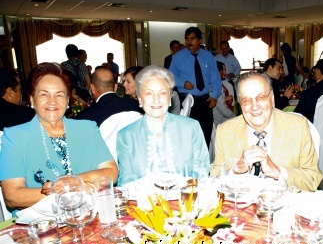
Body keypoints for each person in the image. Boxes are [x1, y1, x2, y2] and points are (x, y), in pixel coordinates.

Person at [0, 62, 118, 211]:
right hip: (42, 222)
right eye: (44, 94)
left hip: (88, 213)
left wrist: (73, 182)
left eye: (59, 95)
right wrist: (67, 192)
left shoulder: (87, 128)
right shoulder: (15, 136)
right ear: (32, 99)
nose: (52, 101)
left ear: (68, 100)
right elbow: (12, 196)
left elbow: (111, 172)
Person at [210, 72, 323, 190]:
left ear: (272, 99)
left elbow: (312, 179)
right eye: (246, 100)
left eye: (261, 98)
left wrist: (278, 172)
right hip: (242, 206)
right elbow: (214, 180)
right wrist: (235, 171)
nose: (254, 107)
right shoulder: (225, 131)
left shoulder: (298, 127)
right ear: (240, 104)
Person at [116, 65, 209, 185]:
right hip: (144, 202)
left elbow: (202, 173)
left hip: (186, 200)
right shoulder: (126, 136)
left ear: (170, 98)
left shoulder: (191, 128)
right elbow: (126, 181)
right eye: (149, 94)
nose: (156, 100)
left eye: (162, 93)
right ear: (140, 99)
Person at [169, 27, 222, 146]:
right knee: (190, 136)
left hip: (205, 100)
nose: (189, 42)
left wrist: (214, 96)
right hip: (188, 101)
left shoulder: (208, 56)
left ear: (199, 40)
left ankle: (205, 162)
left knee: (206, 134)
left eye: (192, 39)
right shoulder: (178, 57)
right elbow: (170, 76)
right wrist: (182, 83)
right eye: (187, 39)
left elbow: (215, 79)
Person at [75, 67, 141, 127]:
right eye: (124, 81)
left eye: (128, 82)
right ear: (115, 87)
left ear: (92, 88)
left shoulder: (85, 117)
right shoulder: (138, 106)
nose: (124, 84)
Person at [213, 61, 236, 126]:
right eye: (223, 70)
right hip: (219, 121)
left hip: (222, 117)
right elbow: (224, 111)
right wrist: (237, 117)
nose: (225, 73)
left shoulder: (219, 83)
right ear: (218, 72)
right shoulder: (216, 86)